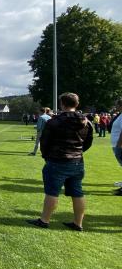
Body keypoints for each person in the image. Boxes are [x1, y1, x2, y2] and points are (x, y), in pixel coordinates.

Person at [27, 93, 93, 232]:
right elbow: (87, 143)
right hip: (77, 161)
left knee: (52, 191)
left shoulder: (55, 121)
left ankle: (44, 220)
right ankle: (78, 223)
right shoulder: (86, 121)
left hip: (57, 160)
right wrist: (77, 152)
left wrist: (47, 156)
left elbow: (45, 142)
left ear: (62, 104)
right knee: (77, 192)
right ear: (76, 104)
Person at [110, 100, 122, 195]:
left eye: (117, 104)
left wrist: (119, 144)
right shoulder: (120, 115)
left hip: (120, 145)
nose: (115, 106)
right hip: (117, 145)